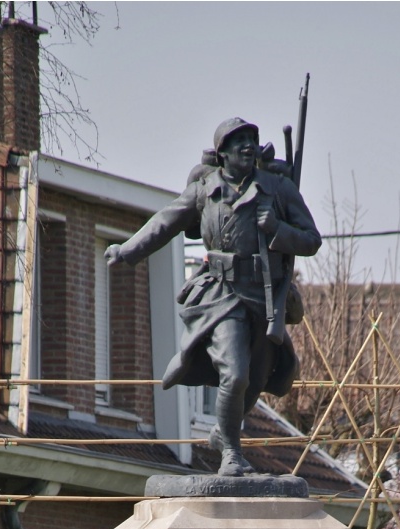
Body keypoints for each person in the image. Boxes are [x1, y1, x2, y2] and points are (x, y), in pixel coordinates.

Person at [105, 118, 322, 476]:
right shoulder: (205, 190)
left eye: (252, 139)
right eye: (239, 142)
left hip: (265, 296)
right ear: (222, 152)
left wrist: (278, 229)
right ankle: (232, 456)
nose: (248, 146)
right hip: (222, 294)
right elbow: (165, 222)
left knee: (255, 380)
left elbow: (311, 239)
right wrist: (128, 250)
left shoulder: (277, 188)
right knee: (234, 374)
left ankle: (224, 433)